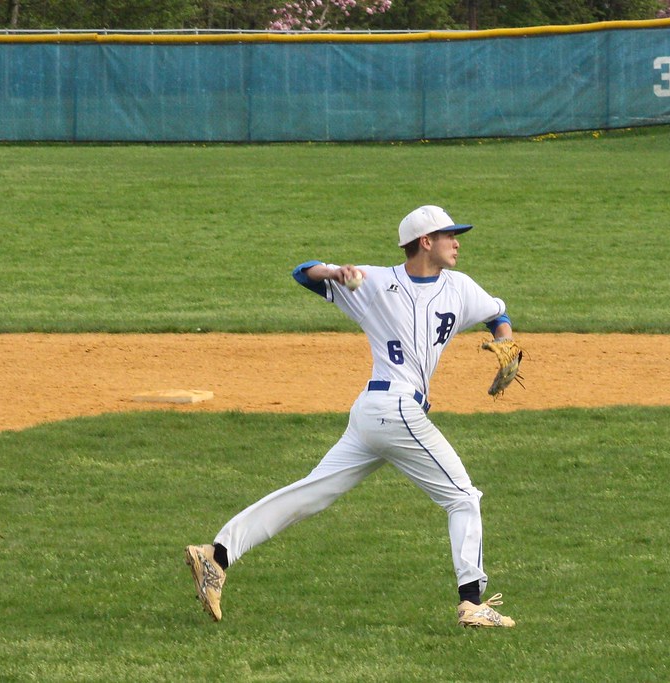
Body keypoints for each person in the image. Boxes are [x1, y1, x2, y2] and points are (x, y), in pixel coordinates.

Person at [185, 205, 516, 628]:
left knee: (312, 493)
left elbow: (497, 314)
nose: (457, 242)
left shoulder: (460, 287)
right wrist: (333, 272)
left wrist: (506, 342)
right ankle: (472, 603)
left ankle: (217, 555)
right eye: (449, 235)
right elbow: (303, 272)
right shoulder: (374, 282)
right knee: (463, 497)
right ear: (425, 242)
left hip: (375, 416)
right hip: (393, 409)